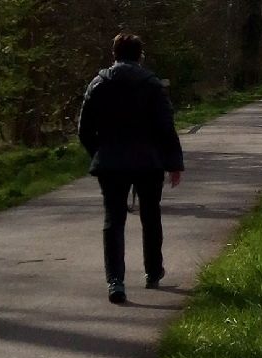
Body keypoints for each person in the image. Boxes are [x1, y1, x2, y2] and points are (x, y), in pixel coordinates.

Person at [77, 33, 183, 304]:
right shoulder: (152, 86)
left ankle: (115, 281)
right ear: (140, 55)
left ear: (114, 54)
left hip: (111, 161)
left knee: (113, 221)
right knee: (151, 216)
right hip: (148, 161)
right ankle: (153, 271)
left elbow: (84, 129)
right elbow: (165, 127)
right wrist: (173, 163)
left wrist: (98, 152)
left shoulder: (99, 84)